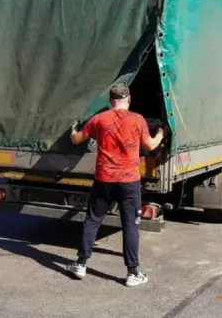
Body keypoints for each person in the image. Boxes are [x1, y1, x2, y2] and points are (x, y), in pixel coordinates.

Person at [66, 84, 165, 287]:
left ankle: (81, 264)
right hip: (129, 181)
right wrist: (162, 132)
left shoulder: (100, 119)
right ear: (128, 100)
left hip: (104, 179)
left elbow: (77, 139)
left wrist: (73, 130)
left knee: (93, 219)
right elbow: (151, 145)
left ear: (110, 101)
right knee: (130, 225)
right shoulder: (137, 119)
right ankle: (132, 273)